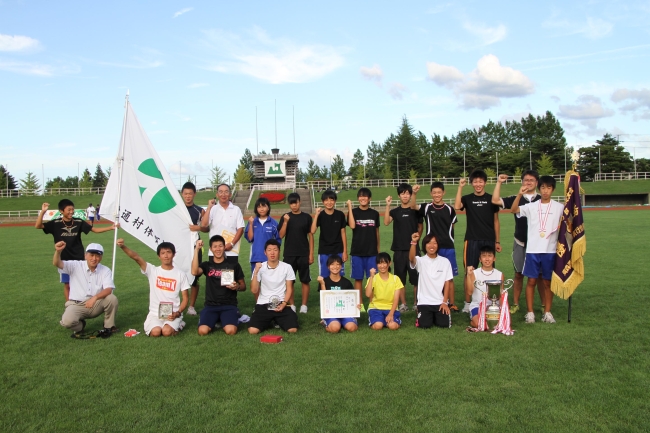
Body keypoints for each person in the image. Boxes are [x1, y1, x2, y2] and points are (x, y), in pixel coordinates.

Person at [36, 199, 118, 302]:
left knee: (82, 283)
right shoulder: (56, 223)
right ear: (61, 211)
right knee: (68, 285)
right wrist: (43, 212)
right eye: (69, 210)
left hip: (79, 259)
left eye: (72, 209)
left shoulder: (78, 222)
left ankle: (83, 306)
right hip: (64, 259)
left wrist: (111, 227)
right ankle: (70, 306)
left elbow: (94, 230)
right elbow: (38, 226)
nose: (71, 212)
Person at [510, 176, 564, 324]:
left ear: (552, 189)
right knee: (531, 281)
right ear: (539, 189)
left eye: (548, 188)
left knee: (547, 282)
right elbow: (513, 209)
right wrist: (519, 194)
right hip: (532, 250)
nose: (545, 191)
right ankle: (530, 313)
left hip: (550, 250)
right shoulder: (532, 206)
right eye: (543, 188)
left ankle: (547, 312)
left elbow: (571, 220)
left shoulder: (559, 207)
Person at [491, 171, 545, 314]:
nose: (528, 182)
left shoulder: (541, 199)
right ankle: (515, 303)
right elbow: (495, 200)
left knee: (539, 275)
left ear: (536, 183)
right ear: (522, 182)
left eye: (531, 180)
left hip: (538, 244)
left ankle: (544, 304)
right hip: (520, 241)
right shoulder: (516, 198)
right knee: (518, 274)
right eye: (526, 180)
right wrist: (499, 182)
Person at [117, 239, 190, 337]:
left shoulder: (181, 274)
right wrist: (123, 246)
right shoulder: (153, 271)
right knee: (155, 332)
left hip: (173, 313)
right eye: (163, 253)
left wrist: (177, 313)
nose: (166, 255)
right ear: (158, 256)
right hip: (155, 313)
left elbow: (185, 298)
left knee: (166, 332)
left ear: (174, 254)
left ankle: (180, 323)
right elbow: (136, 257)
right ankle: (160, 324)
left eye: (168, 252)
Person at [454, 169, 501, 314]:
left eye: (481, 181)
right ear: (472, 183)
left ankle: (490, 301)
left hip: (489, 239)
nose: (478, 184)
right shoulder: (467, 199)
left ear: (485, 183)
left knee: (489, 271)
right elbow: (456, 207)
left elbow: (496, 221)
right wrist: (460, 187)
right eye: (475, 181)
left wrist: (497, 241)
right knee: (470, 271)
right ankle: (468, 303)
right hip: (472, 240)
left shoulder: (492, 199)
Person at [52, 241, 118, 337]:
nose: (94, 258)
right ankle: (80, 326)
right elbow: (57, 263)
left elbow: (109, 289)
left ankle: (109, 326)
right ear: (85, 256)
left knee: (112, 298)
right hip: (76, 304)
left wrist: (94, 298)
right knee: (67, 322)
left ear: (101, 257)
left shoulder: (105, 270)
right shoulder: (75, 265)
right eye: (91, 255)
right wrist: (58, 252)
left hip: (95, 304)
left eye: (97, 256)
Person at [411, 181, 459, 312]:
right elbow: (413, 205)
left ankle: (451, 303)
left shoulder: (450, 209)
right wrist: (414, 193)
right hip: (431, 247)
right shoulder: (427, 207)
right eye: (434, 192)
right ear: (431, 194)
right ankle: (429, 301)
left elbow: (452, 227)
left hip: (447, 246)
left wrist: (448, 239)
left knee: (449, 277)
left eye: (439, 192)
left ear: (443, 193)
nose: (437, 195)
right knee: (429, 275)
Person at [191, 235, 246, 336]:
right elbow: (194, 272)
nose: (218, 249)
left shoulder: (233, 265)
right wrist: (196, 250)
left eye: (220, 246)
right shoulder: (207, 265)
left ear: (224, 247)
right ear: (211, 249)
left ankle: (234, 317)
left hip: (229, 305)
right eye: (215, 246)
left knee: (231, 331)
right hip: (211, 305)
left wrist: (236, 287)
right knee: (202, 331)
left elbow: (243, 286)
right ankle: (217, 319)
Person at [384, 183, 423, 312]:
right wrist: (388, 205)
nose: (405, 196)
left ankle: (417, 303)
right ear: (399, 195)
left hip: (413, 249)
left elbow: (420, 227)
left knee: (417, 278)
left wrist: (417, 238)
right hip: (399, 249)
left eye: (407, 193)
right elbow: (386, 222)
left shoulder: (415, 211)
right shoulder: (395, 211)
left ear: (410, 194)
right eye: (402, 193)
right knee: (400, 279)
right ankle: (403, 304)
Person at [248, 239, 299, 334]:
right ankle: (270, 320)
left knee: (292, 329)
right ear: (265, 252)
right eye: (269, 250)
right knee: (252, 330)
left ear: (279, 252)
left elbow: (289, 288)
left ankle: (276, 320)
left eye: (275, 250)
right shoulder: (260, 267)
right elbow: (254, 290)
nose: (272, 252)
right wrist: (256, 272)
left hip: (281, 303)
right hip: (264, 304)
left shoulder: (287, 267)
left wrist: (284, 304)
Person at [278, 192, 314, 313]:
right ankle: (292, 304)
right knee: (289, 281)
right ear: (289, 204)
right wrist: (285, 222)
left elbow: (311, 236)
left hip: (304, 253)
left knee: (305, 280)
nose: (294, 206)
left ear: (300, 202)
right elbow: (280, 235)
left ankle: (304, 305)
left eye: (296, 203)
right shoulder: (285, 217)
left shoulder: (307, 217)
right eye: (291, 203)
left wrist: (311, 253)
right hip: (289, 254)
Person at [409, 233, 453, 328]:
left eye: (435, 243)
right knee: (425, 325)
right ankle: (423, 314)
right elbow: (411, 258)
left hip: (439, 301)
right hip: (424, 302)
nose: (432, 246)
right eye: (429, 243)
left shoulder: (445, 262)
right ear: (425, 245)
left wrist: (445, 302)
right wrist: (414, 242)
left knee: (444, 324)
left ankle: (436, 316)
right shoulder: (420, 261)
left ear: (438, 245)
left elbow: (447, 283)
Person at [347, 187, 380, 312]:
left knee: (372, 278)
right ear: (358, 198)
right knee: (358, 278)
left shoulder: (375, 214)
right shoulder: (353, 212)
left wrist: (377, 248)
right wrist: (350, 208)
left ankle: (372, 302)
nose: (363, 198)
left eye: (365, 196)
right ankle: (359, 303)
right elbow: (352, 225)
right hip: (357, 251)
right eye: (360, 196)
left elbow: (377, 232)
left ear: (369, 198)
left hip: (372, 252)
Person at [200, 183, 245, 265]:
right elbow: (204, 225)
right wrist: (209, 207)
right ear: (217, 195)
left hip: (231, 251)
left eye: (226, 192)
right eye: (220, 192)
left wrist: (232, 244)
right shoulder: (213, 209)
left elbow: (241, 229)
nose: (223, 194)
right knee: (215, 276)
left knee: (230, 276)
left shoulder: (236, 209)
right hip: (214, 251)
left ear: (230, 194)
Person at [182, 181, 207, 316]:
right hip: (179, 248)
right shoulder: (177, 210)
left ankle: (191, 306)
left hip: (194, 247)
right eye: (185, 194)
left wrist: (197, 228)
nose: (188, 196)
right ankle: (176, 304)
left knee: (194, 275)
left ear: (194, 194)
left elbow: (207, 227)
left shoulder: (199, 210)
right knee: (177, 274)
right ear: (182, 194)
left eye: (190, 194)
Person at [317, 255, 358, 333]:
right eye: (332, 264)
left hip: (345, 312)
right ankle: (326, 322)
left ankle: (344, 322)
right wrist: (322, 284)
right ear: (328, 267)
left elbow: (352, 298)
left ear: (341, 266)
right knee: (335, 328)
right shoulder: (324, 281)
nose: (335, 267)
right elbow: (324, 299)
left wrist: (356, 307)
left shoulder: (347, 282)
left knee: (352, 328)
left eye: (338, 264)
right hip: (331, 313)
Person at [311, 190, 348, 279]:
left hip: (338, 250)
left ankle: (338, 293)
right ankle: (324, 292)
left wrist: (345, 251)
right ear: (323, 201)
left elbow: (343, 233)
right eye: (326, 200)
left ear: (335, 201)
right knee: (324, 276)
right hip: (324, 250)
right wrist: (316, 215)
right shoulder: (321, 215)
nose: (329, 202)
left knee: (339, 275)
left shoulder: (340, 215)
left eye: (331, 200)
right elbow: (312, 231)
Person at [466, 246, 504, 329]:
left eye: (490, 256)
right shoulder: (474, 273)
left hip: (494, 306)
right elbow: (469, 292)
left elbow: (501, 295)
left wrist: (504, 310)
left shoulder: (499, 274)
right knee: (478, 324)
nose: (487, 259)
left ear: (494, 258)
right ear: (480, 259)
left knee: (501, 324)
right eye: (484, 256)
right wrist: (469, 275)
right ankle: (473, 319)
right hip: (477, 305)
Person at [366, 253, 403, 330]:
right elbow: (368, 294)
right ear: (376, 264)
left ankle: (387, 320)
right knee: (378, 326)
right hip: (375, 308)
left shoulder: (395, 279)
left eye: (384, 263)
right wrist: (371, 277)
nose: (382, 266)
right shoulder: (373, 278)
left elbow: (396, 299)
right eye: (379, 263)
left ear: (389, 263)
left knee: (393, 326)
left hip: (391, 308)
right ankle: (380, 321)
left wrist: (391, 313)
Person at [245, 196, 281, 276]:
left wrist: (276, 257)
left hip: (270, 258)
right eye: (259, 207)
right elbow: (250, 239)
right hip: (256, 257)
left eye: (264, 206)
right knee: (256, 284)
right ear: (256, 209)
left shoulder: (274, 223)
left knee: (270, 283)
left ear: (268, 207)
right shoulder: (252, 222)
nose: (261, 209)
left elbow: (278, 241)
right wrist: (251, 224)